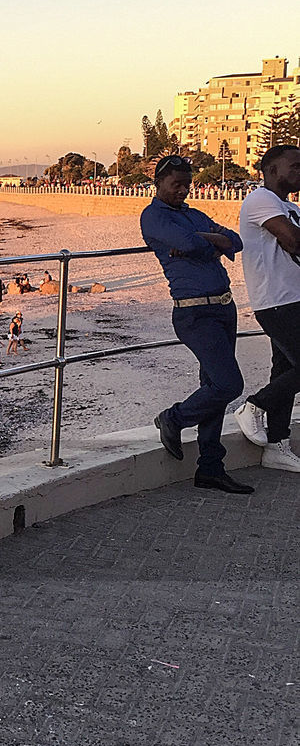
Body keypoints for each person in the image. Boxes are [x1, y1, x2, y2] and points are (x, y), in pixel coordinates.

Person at [139, 154, 251, 494]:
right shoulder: (153, 216)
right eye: (176, 184)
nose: (183, 190)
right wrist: (208, 241)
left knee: (214, 386)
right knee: (229, 385)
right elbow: (189, 243)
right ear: (159, 183)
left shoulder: (192, 214)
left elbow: (236, 240)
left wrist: (204, 240)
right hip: (193, 313)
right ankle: (173, 419)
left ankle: (210, 468)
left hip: (223, 307)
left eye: (187, 184)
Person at [232, 144, 300, 473]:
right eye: (295, 166)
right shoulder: (261, 200)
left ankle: (277, 446)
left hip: (294, 298)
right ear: (272, 170)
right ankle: (253, 406)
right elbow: (294, 241)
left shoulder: (288, 205)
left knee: (286, 371)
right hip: (277, 301)